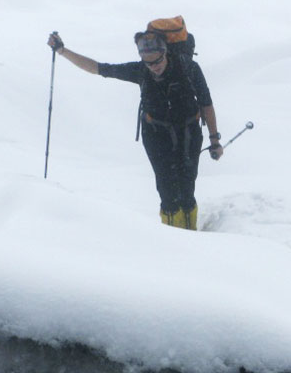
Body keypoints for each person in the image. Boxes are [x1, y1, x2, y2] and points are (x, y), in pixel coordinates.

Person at [46, 30, 222, 230]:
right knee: (167, 190)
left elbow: (206, 104)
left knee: (187, 187)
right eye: (148, 63)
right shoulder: (141, 71)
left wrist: (214, 140)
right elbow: (98, 68)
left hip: (188, 133)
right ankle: (174, 238)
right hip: (156, 135)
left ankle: (190, 233)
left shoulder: (189, 68)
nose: (154, 67)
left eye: (157, 61)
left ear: (166, 53)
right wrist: (62, 51)